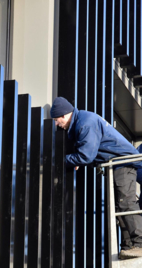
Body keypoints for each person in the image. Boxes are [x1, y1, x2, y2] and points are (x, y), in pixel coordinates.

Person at [50, 97, 142, 259]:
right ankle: (128, 245)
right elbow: (88, 153)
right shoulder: (83, 120)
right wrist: (79, 158)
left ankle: (139, 243)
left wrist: (63, 161)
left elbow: (85, 156)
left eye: (57, 120)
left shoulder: (85, 123)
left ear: (64, 115)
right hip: (117, 164)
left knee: (126, 203)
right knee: (119, 207)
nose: (57, 124)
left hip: (123, 162)